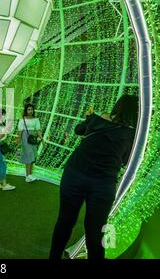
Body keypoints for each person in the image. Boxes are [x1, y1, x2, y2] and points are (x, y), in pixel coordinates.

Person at [49, 95, 138, 259]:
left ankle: (54, 257)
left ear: (117, 107)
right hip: (103, 183)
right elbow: (126, 161)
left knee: (65, 221)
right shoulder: (133, 136)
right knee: (95, 230)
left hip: (74, 173)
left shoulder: (97, 120)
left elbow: (78, 130)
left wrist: (90, 119)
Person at [16, 103, 43, 182]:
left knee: (33, 155)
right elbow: (20, 131)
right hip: (25, 138)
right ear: (26, 110)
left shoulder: (36, 119)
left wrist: (42, 139)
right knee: (29, 155)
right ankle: (27, 175)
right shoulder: (22, 119)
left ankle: (30, 174)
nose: (30, 111)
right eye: (28, 109)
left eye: (31, 109)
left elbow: (38, 130)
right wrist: (19, 140)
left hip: (32, 138)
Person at [0, 108, 15, 191]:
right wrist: (7, 128)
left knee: (1, 164)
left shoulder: (1, 124)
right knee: (3, 164)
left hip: (0, 146)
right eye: (2, 115)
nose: (4, 116)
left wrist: (8, 128)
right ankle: (4, 183)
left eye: (4, 115)